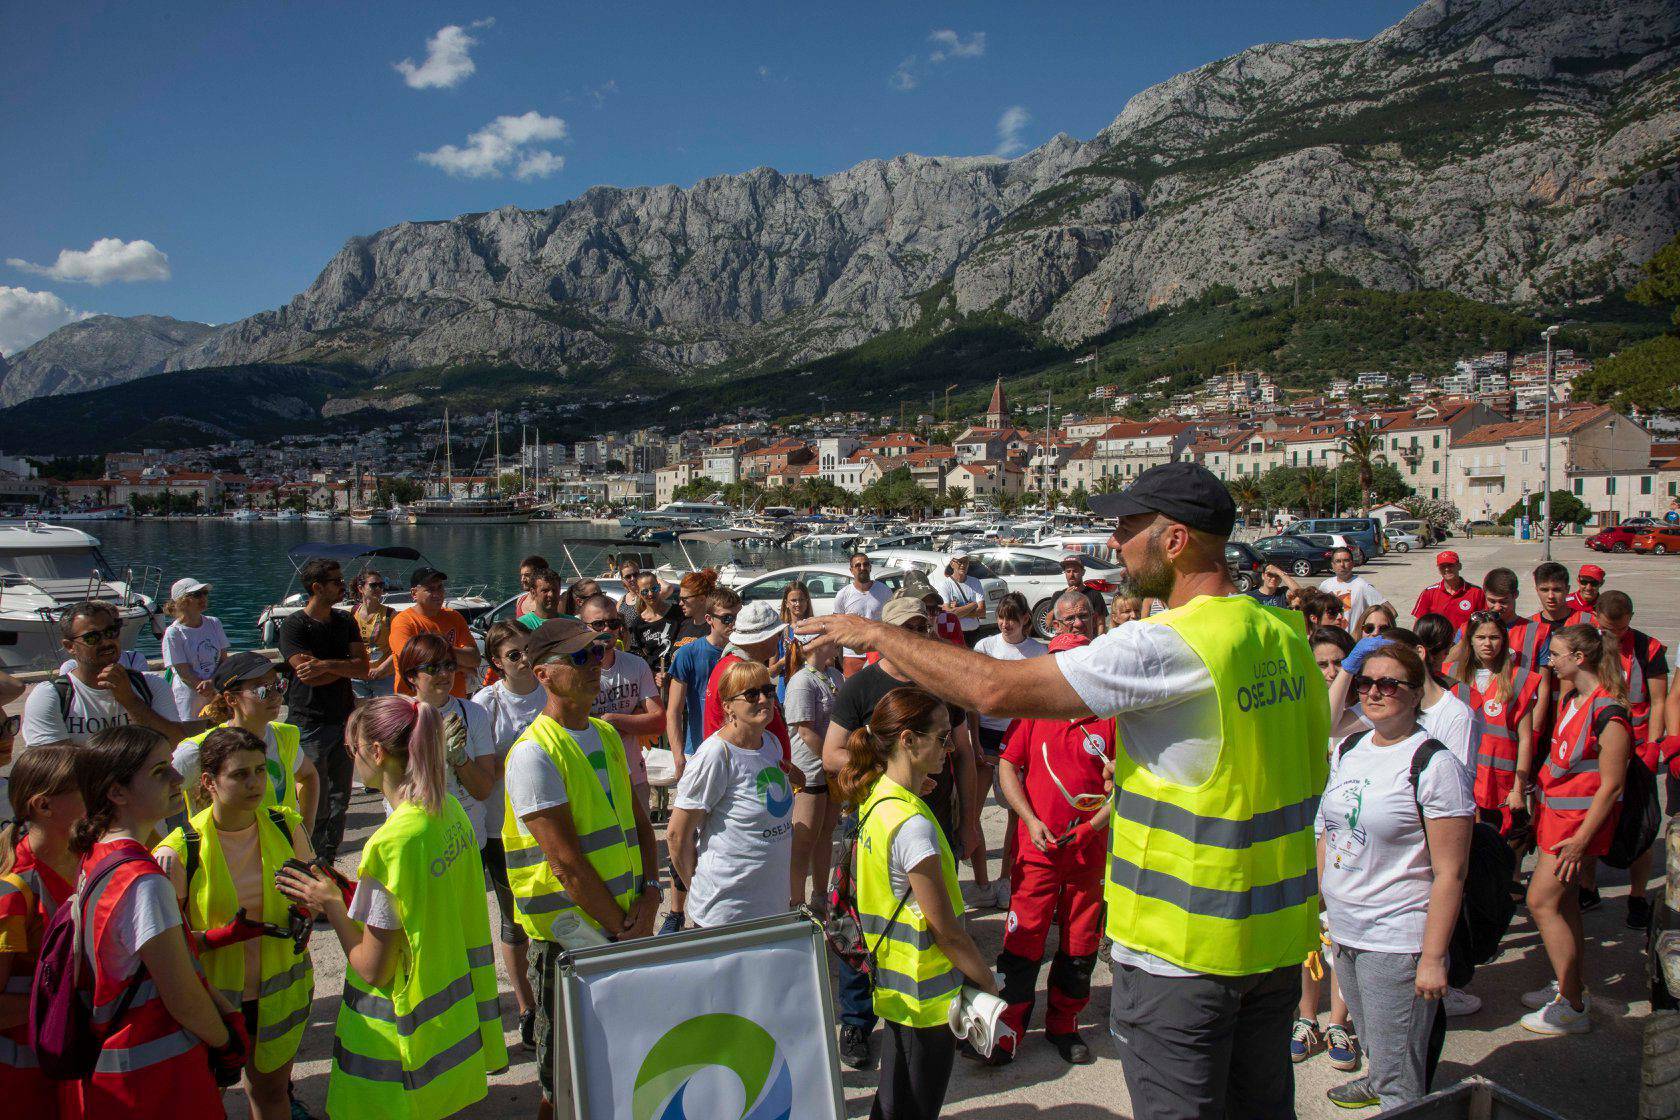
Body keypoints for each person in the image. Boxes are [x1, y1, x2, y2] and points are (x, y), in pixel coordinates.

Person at [798, 461, 1330, 1120]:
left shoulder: (1168, 645)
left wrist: (876, 634)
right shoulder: (1284, 638)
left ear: (1173, 541)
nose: (1114, 543)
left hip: (1185, 955)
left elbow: (992, 688)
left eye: (1128, 527)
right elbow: (1267, 771)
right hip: (1276, 947)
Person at [276, 697, 506, 1118]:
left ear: (377, 753)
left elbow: (372, 967)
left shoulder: (391, 845)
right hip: (450, 1029)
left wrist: (330, 903)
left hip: (399, 1050)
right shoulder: (447, 810)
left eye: (353, 751)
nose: (354, 761)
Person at [498, 620, 660, 1120]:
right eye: (581, 658)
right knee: (564, 1079)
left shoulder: (606, 734)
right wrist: (621, 928)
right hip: (571, 940)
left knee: (620, 1063)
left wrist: (652, 892)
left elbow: (639, 820)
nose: (596, 666)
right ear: (543, 673)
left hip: (623, 925)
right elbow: (565, 864)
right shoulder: (533, 753)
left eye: (599, 653)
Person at [820, 599, 982, 1072]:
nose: (919, 634)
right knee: (869, 924)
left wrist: (970, 821)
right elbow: (831, 754)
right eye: (909, 627)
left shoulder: (940, 683)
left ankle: (949, 1014)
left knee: (938, 922)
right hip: (883, 818)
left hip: (931, 820)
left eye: (924, 626)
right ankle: (856, 1021)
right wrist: (889, 775)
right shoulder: (861, 686)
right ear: (886, 631)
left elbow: (966, 756)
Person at [1317, 640, 1473, 1110]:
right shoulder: (1351, 746)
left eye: (1390, 684)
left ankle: (1394, 1096)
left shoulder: (1435, 763)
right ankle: (1378, 1078)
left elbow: (1452, 871)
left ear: (1415, 691)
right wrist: (1317, 906)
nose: (1374, 692)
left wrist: (1433, 957)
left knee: (1401, 1074)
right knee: (1372, 1035)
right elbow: (1329, 831)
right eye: (1366, 682)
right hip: (1347, 927)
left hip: (1397, 934)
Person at [836, 687, 1000, 1120]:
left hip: (896, 987)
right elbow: (946, 929)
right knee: (912, 1109)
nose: (951, 747)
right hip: (926, 1001)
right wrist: (985, 978)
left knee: (893, 1103)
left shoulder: (877, 801)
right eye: (943, 737)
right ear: (908, 740)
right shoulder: (912, 826)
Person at [71, 726, 241, 1119]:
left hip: (116, 1063)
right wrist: (226, 1041)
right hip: (156, 1073)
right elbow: (180, 993)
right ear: (117, 792)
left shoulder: (98, 853)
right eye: (160, 771)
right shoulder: (144, 881)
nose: (177, 779)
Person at [154, 727, 315, 1120]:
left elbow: (316, 893)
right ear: (208, 782)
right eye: (240, 774)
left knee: (272, 1094)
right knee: (207, 1101)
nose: (255, 783)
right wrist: (216, 938)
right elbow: (166, 950)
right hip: (214, 1004)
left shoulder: (285, 825)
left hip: (279, 995)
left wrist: (311, 909)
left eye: (260, 771)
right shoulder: (177, 851)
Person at [992, 631, 1111, 1067]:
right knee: (1022, 943)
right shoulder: (1032, 712)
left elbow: (1126, 786)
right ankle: (1007, 1029)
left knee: (1080, 946)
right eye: (1058, 662)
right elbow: (1008, 766)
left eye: (1072, 662)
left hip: (1086, 857)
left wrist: (1091, 828)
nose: (1064, 671)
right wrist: (1028, 818)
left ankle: (1065, 1026)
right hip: (1037, 852)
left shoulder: (1109, 715)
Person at [1522, 624, 1631, 1035]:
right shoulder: (1571, 699)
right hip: (1555, 818)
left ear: (1579, 658)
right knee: (1564, 904)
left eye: (1556, 654)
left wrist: (1582, 841)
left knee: (1541, 902)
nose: (1550, 660)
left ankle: (1572, 1004)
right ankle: (1568, 983)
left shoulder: (1610, 712)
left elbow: (1612, 784)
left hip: (1575, 828)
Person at [668, 660, 794, 928]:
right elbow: (677, 835)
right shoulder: (716, 755)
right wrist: (696, 886)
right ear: (727, 706)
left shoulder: (770, 744)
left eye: (768, 691)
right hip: (727, 913)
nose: (763, 699)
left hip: (771, 906)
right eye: (751, 694)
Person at [470, 621, 544, 1049]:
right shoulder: (487, 704)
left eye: (527, 650)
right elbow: (482, 772)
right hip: (503, 827)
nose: (524, 660)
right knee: (514, 919)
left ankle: (554, 995)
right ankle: (526, 1005)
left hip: (549, 820)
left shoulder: (550, 690)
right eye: (513, 655)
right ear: (497, 663)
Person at [0, 745, 80, 1116]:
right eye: (89, 789)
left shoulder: (92, 862)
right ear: (44, 807)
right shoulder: (13, 890)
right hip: (23, 1085)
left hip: (69, 1069)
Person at [277, 558, 368, 866]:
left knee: (340, 797)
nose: (343, 586)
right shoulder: (294, 625)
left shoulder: (345, 621)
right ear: (317, 587)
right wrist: (343, 668)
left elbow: (363, 667)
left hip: (342, 719)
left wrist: (326, 665)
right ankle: (306, 858)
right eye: (336, 582)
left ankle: (327, 859)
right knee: (311, 796)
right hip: (308, 722)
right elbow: (304, 672)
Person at [1298, 626, 1360, 1074]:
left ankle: (1339, 1021)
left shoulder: (1366, 716)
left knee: (1338, 925)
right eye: (1321, 664)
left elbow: (1332, 723)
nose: (1331, 671)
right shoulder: (1295, 711)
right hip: (1302, 827)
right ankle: (1305, 1018)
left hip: (1345, 835)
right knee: (1306, 927)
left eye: (1340, 662)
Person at [173, 652, 321, 829]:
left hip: (278, 853)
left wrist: (306, 829)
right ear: (231, 699)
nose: (275, 695)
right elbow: (148, 801)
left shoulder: (283, 735)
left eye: (279, 685)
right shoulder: (198, 749)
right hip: (222, 855)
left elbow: (308, 776)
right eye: (262, 690)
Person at [1593, 589, 1667, 929]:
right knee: (1592, 823)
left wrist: (1653, 745)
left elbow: (1658, 700)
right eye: (1609, 628)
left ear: (1630, 620)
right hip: (1595, 753)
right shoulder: (1587, 646)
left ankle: (1637, 897)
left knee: (1641, 828)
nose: (1615, 635)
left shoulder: (1648, 649)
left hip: (1637, 754)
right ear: (1596, 618)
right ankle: (1587, 888)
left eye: (1621, 629)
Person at [21, 601, 187, 747]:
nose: (106, 642)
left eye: (111, 632)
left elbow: (176, 744)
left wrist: (131, 701)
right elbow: (51, 766)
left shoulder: (151, 685)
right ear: (70, 646)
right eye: (92, 638)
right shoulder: (50, 696)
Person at [973, 592, 1047, 901]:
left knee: (1015, 813)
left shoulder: (1037, 652)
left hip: (1016, 738)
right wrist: (974, 740)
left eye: (1012, 618)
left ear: (1026, 619)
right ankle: (981, 882)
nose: (1005, 623)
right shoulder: (985, 646)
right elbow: (971, 696)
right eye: (1002, 617)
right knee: (971, 811)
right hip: (984, 736)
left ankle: (1005, 879)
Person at [399, 633, 499, 855]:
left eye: (449, 665)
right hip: (420, 840)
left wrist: (460, 758)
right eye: (433, 667)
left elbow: (483, 790)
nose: (444, 674)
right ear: (411, 676)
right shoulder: (397, 718)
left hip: (467, 837)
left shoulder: (473, 713)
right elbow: (394, 789)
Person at [1447, 612, 1542, 838]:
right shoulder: (1450, 674)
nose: (1488, 643)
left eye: (1494, 637)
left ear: (1504, 640)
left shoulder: (1520, 678)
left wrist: (1518, 789)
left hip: (1499, 782)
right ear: (1469, 639)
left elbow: (1526, 738)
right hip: (1460, 776)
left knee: (1498, 845)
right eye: (1480, 637)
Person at [580, 594, 665, 811]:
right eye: (598, 624)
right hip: (590, 776)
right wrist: (633, 717)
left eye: (613, 623)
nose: (606, 630)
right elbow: (573, 726)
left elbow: (657, 722)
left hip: (633, 774)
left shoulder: (636, 665)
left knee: (641, 840)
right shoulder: (575, 671)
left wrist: (611, 719)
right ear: (583, 627)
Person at [783, 634, 842, 911]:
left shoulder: (834, 676)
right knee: (804, 839)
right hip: (809, 771)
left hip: (830, 770)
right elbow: (805, 731)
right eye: (831, 640)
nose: (837, 644)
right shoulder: (801, 681)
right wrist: (832, 758)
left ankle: (820, 896)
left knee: (826, 833)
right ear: (815, 645)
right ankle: (796, 902)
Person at [701, 600, 793, 762]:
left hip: (754, 768)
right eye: (777, 635)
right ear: (763, 639)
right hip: (749, 770)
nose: (779, 639)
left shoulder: (733, 665)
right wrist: (784, 766)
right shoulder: (739, 672)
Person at [387, 565, 480, 698]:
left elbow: (474, 658)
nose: (437, 594)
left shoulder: (455, 617)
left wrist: (439, 658)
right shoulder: (403, 622)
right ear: (414, 593)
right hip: (416, 702)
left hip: (453, 701)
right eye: (430, 589)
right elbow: (413, 662)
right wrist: (459, 666)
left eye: (440, 587)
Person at [160, 577, 229, 718]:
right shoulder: (174, 633)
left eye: (205, 593)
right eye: (197, 595)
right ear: (182, 600)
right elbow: (182, 671)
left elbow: (223, 660)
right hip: (189, 698)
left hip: (216, 691)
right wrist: (204, 688)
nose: (203, 598)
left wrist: (213, 683)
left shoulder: (214, 623)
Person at [833, 552, 892, 674]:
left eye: (865, 564)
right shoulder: (843, 595)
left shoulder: (884, 591)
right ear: (851, 570)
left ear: (870, 567)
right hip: (852, 654)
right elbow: (836, 627)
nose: (862, 568)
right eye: (858, 565)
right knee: (852, 690)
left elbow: (891, 622)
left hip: (878, 650)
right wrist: (837, 656)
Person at [1412, 551, 1486, 633]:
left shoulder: (1476, 592)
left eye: (1450, 565)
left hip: (1465, 643)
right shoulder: (1428, 593)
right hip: (1438, 643)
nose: (1446, 569)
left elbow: (1484, 621)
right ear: (1439, 570)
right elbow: (1419, 622)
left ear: (1459, 566)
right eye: (1442, 566)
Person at [626, 570, 683, 675]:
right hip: (655, 678)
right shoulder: (637, 624)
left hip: (679, 672)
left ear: (659, 587)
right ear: (638, 593)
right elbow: (641, 654)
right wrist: (653, 674)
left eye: (654, 588)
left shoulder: (677, 612)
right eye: (645, 591)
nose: (650, 594)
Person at [350, 571, 396, 701]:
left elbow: (398, 648)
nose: (378, 589)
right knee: (361, 717)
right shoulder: (353, 613)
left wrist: (381, 669)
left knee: (383, 717)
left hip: (384, 677)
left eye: (381, 585)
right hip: (358, 678)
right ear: (361, 588)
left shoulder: (389, 614)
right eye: (373, 585)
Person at [773, 582, 815, 701]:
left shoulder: (815, 628)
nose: (798, 604)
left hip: (810, 688)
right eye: (793, 600)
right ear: (786, 603)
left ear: (807, 601)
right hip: (786, 691)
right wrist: (786, 660)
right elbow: (771, 672)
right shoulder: (780, 631)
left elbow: (829, 663)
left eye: (801, 599)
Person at [1320, 548, 1384, 625]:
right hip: (1331, 636)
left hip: (1352, 637)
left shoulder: (1362, 586)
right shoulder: (1325, 585)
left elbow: (1390, 612)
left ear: (1352, 563)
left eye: (1346, 560)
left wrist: (1368, 629)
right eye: (1338, 561)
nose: (1342, 565)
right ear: (1332, 565)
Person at [937, 551, 987, 641]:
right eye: (960, 562)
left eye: (966, 562)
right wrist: (973, 605)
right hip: (955, 634)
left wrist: (957, 611)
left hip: (973, 633)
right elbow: (948, 614)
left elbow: (982, 612)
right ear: (952, 564)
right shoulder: (946, 585)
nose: (963, 565)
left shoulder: (975, 582)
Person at [672, 568, 720, 649]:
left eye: (684, 599)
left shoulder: (714, 629)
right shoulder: (684, 624)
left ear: (702, 599)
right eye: (679, 599)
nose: (680, 603)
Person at [1059, 554, 1109, 633]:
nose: (1071, 575)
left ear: (1083, 572)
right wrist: (1064, 598)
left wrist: (1099, 642)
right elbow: (1048, 622)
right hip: (1067, 641)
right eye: (1068, 571)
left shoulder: (1094, 594)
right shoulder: (1059, 595)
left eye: (1075, 571)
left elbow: (1101, 623)